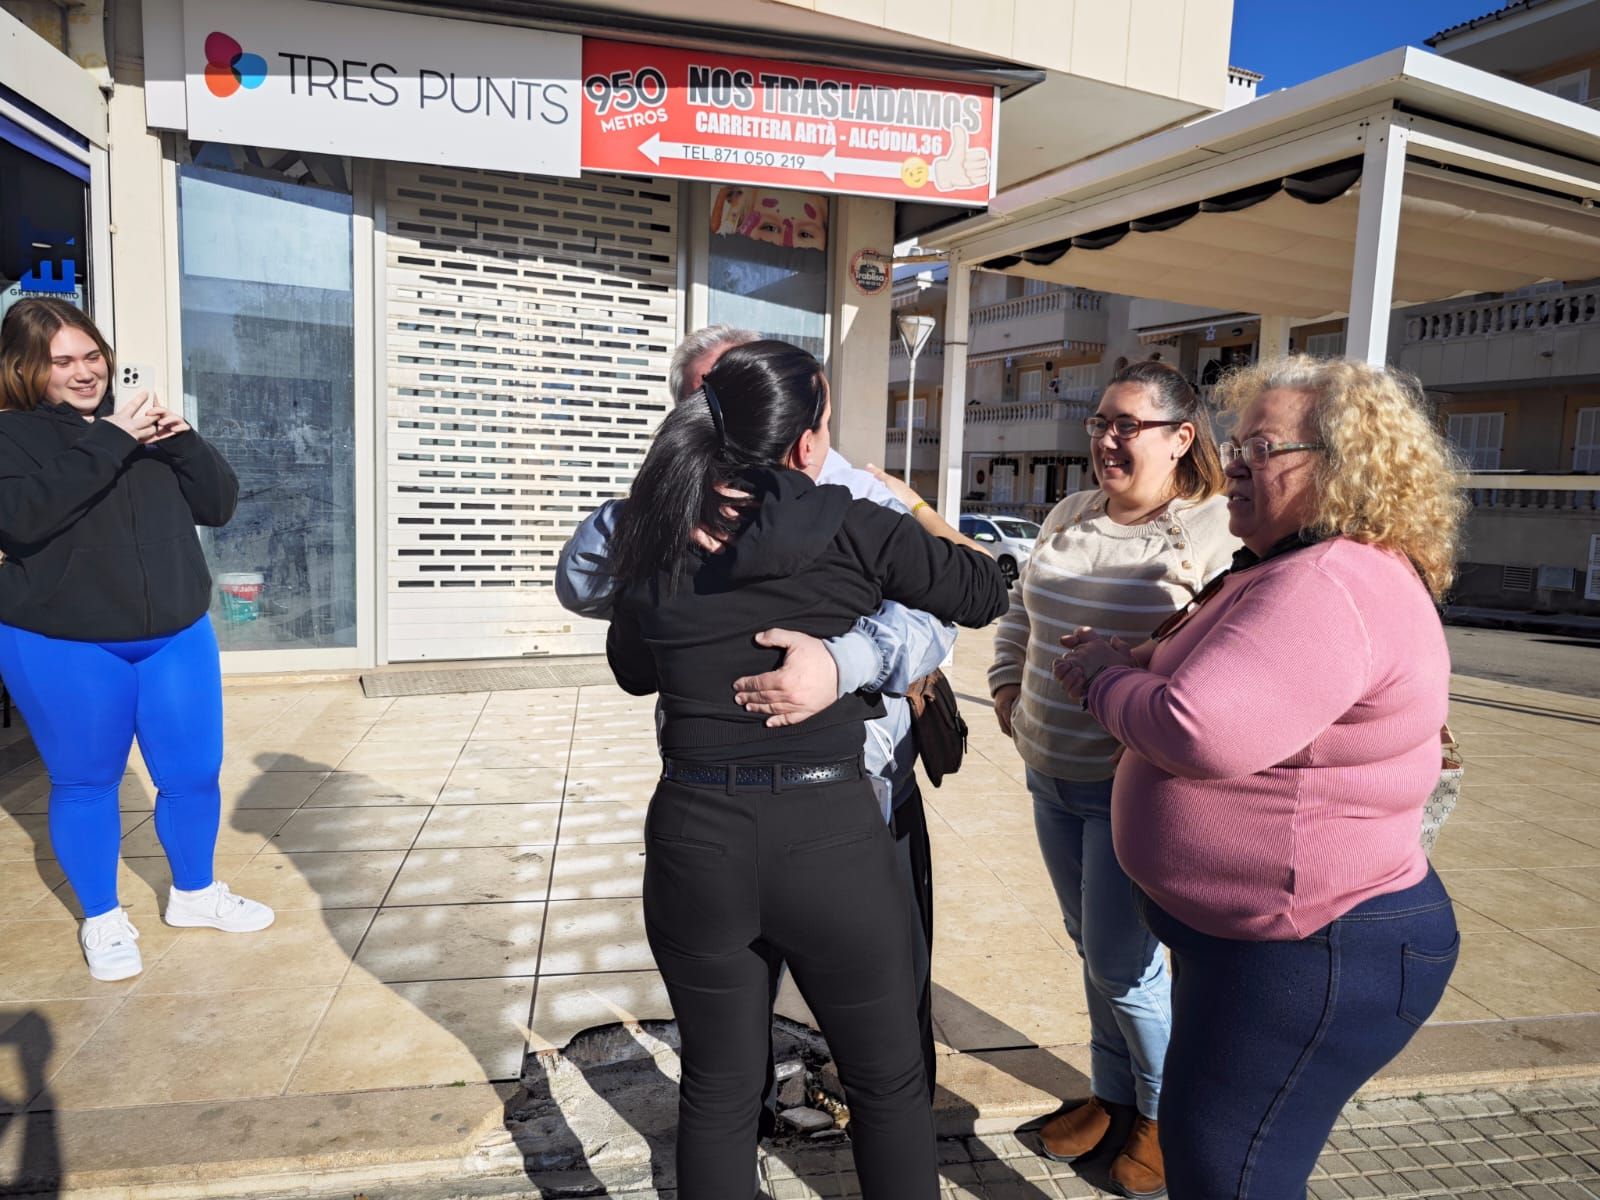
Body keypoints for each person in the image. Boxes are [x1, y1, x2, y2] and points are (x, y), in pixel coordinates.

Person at [603, 339, 1007, 1198]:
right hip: (830, 840)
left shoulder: (657, 522)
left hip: (695, 837)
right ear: (805, 441)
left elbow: (634, 667)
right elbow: (983, 592)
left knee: (715, 1091)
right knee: (889, 1088)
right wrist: (921, 515)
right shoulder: (848, 521)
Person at [1056, 355, 1467, 1199]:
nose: (1233, 466)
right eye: (1234, 447)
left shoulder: (1329, 580)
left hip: (1312, 951)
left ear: (1342, 466)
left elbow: (1195, 729)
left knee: (1228, 1176)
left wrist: (1101, 680)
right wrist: (1129, 658)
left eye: (1262, 450)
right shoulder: (1294, 564)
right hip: (1271, 944)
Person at [988, 360, 1236, 1198]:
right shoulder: (1069, 512)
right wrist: (1002, 685)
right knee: (1094, 949)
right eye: (1101, 422)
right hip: (1048, 773)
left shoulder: (1211, 531)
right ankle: (1111, 1096)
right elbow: (1021, 605)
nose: (1107, 439)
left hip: (1132, 789)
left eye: (1128, 424)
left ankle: (1167, 1120)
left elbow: (1222, 664)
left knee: (1127, 967)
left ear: (1181, 438)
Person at [0, 298, 273, 983]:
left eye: (92, 355)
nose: (85, 372)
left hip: (174, 633)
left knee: (192, 774)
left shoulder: (139, 425)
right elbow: (22, 521)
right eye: (62, 361)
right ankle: (101, 916)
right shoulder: (12, 436)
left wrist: (181, 440)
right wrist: (113, 439)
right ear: (25, 367)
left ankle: (196, 895)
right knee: (87, 782)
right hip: (65, 640)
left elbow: (217, 504)